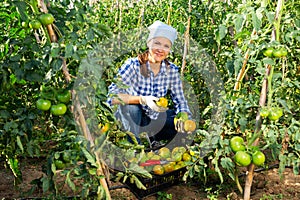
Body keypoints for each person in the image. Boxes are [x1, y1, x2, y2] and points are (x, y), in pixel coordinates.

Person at [107, 20, 191, 145]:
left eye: (166, 46)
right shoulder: (133, 65)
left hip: (153, 119)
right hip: (132, 120)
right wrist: (142, 99)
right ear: (149, 43)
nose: (161, 49)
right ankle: (136, 149)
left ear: (169, 50)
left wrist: (183, 116)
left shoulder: (171, 70)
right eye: (157, 43)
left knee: (182, 122)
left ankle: (153, 141)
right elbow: (112, 97)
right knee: (132, 109)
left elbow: (180, 101)